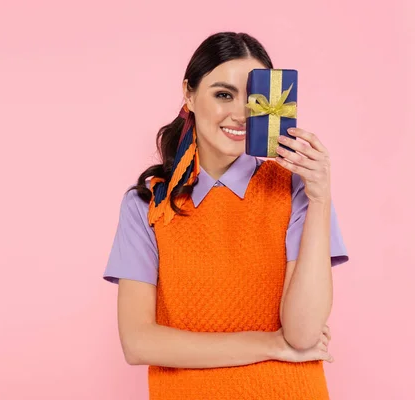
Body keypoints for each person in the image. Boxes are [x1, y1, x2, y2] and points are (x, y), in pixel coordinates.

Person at [102, 32, 349, 400]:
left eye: (254, 99)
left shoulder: (298, 190)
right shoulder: (147, 203)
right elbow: (138, 342)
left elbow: (302, 334)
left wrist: (321, 197)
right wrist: (269, 345)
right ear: (188, 94)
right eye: (223, 94)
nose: (240, 113)